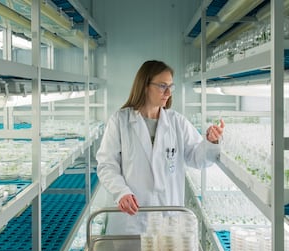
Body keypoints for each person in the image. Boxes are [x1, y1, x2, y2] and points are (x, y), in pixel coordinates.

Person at [96, 60, 224, 234]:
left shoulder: (177, 122)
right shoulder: (120, 121)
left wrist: (210, 141)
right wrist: (121, 192)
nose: (169, 93)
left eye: (171, 86)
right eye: (163, 86)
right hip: (131, 220)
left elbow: (197, 158)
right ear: (145, 86)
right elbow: (107, 165)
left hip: (167, 219)